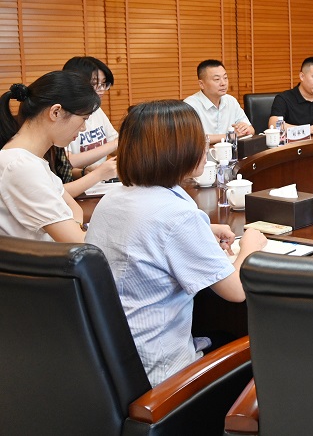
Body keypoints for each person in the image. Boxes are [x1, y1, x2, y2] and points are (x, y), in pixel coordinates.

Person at [86, 100, 267, 386]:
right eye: (200, 141)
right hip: (161, 374)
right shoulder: (177, 216)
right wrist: (250, 247)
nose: (205, 148)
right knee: (260, 349)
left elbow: (150, 235)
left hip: (111, 361)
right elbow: (236, 291)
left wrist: (202, 230)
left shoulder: (112, 198)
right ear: (178, 151)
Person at [0, 71, 101, 242]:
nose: (83, 128)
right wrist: (75, 226)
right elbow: (76, 242)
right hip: (47, 258)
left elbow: (74, 207)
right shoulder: (21, 166)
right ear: (56, 112)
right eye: (84, 118)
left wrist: (74, 224)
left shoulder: (31, 159)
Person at [62, 56, 119, 171]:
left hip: (100, 178)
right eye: (94, 83)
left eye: (103, 83)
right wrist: (114, 144)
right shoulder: (63, 115)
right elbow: (66, 161)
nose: (102, 89)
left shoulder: (96, 109)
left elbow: (115, 145)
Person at [184, 59, 255, 142]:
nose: (223, 83)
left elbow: (251, 130)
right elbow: (193, 139)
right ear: (201, 84)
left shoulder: (231, 100)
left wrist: (245, 128)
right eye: (217, 79)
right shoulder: (190, 105)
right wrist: (230, 136)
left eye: (225, 78)